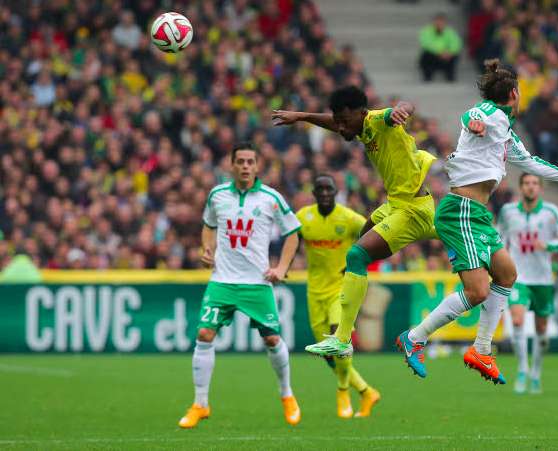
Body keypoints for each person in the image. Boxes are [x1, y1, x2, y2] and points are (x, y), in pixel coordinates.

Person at [396, 59, 558, 383]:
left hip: (477, 213)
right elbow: (472, 114)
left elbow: (533, 164)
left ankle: (482, 349)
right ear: (515, 93)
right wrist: (475, 122)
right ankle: (415, 338)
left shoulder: (506, 133)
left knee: (506, 273)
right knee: (476, 292)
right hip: (460, 209)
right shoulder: (490, 114)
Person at [272, 85, 437, 358]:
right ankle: (451, 232)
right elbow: (333, 122)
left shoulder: (378, 120)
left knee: (356, 255)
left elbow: (405, 105)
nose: (339, 128)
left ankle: (343, 338)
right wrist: (300, 116)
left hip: (411, 209)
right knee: (365, 230)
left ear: (361, 114)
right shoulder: (358, 126)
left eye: (344, 121)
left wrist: (400, 110)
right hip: (397, 204)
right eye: (337, 121)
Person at [178, 143, 302, 428]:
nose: (246, 166)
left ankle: (287, 395)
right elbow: (209, 225)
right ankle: (200, 404)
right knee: (204, 334)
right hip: (222, 280)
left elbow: (293, 233)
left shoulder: (271, 198)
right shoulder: (217, 195)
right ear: (231, 165)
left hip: (257, 283)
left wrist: (281, 268)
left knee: (272, 339)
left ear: (257, 166)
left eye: (250, 161)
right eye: (241, 161)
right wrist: (207, 249)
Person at [296, 174, 381, 418]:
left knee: (337, 338)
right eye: (320, 189)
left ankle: (343, 390)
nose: (324, 192)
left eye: (329, 188)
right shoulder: (304, 218)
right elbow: (291, 238)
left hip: (341, 289)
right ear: (314, 193)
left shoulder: (348, 217)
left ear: (336, 192)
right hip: (314, 292)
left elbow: (374, 231)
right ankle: (366, 391)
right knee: (327, 353)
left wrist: (359, 259)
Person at [498, 173, 558, 394]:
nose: (530, 187)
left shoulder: (551, 212)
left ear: (540, 188)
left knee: (542, 331)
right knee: (517, 319)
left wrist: (550, 246)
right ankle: (522, 369)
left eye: (534, 184)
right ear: (521, 187)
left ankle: (536, 372)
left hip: (542, 278)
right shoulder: (508, 212)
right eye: (526, 183)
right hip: (517, 277)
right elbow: (498, 238)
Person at [418, 13, 463, 82]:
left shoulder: (450, 32)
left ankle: (450, 76)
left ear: (445, 23)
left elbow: (456, 43)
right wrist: (440, 52)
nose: (439, 24)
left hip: (447, 56)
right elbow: (425, 43)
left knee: (455, 56)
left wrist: (450, 52)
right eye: (437, 21)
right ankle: (427, 76)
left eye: (441, 21)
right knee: (425, 56)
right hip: (434, 55)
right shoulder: (427, 31)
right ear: (434, 22)